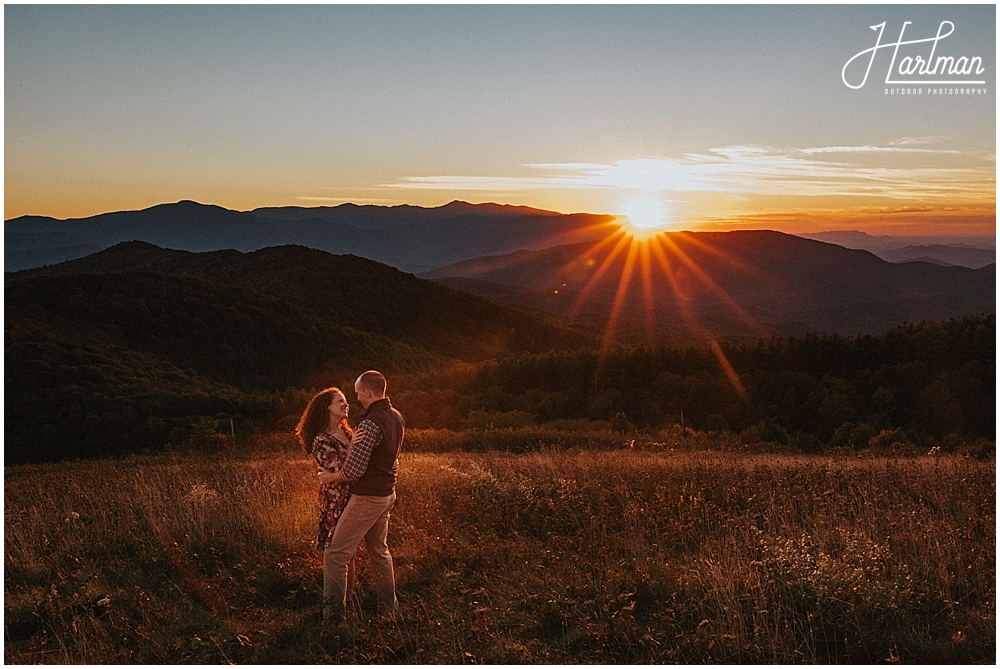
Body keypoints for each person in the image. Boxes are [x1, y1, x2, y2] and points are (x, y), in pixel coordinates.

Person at [320, 370, 405, 620]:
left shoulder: (370, 423)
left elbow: (353, 473)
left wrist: (331, 477)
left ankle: (333, 617)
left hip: (368, 497)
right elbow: (394, 460)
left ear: (368, 392)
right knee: (379, 551)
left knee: (335, 554)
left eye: (358, 393)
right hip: (387, 493)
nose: (356, 398)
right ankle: (389, 608)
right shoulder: (397, 417)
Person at [295, 387, 356, 608]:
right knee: (336, 550)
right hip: (335, 500)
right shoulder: (321, 440)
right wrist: (357, 451)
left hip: (354, 497)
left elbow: (347, 471)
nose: (346, 404)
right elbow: (341, 469)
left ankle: (348, 599)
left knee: (349, 553)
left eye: (346, 400)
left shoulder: (349, 433)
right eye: (340, 401)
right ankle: (333, 604)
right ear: (327, 407)